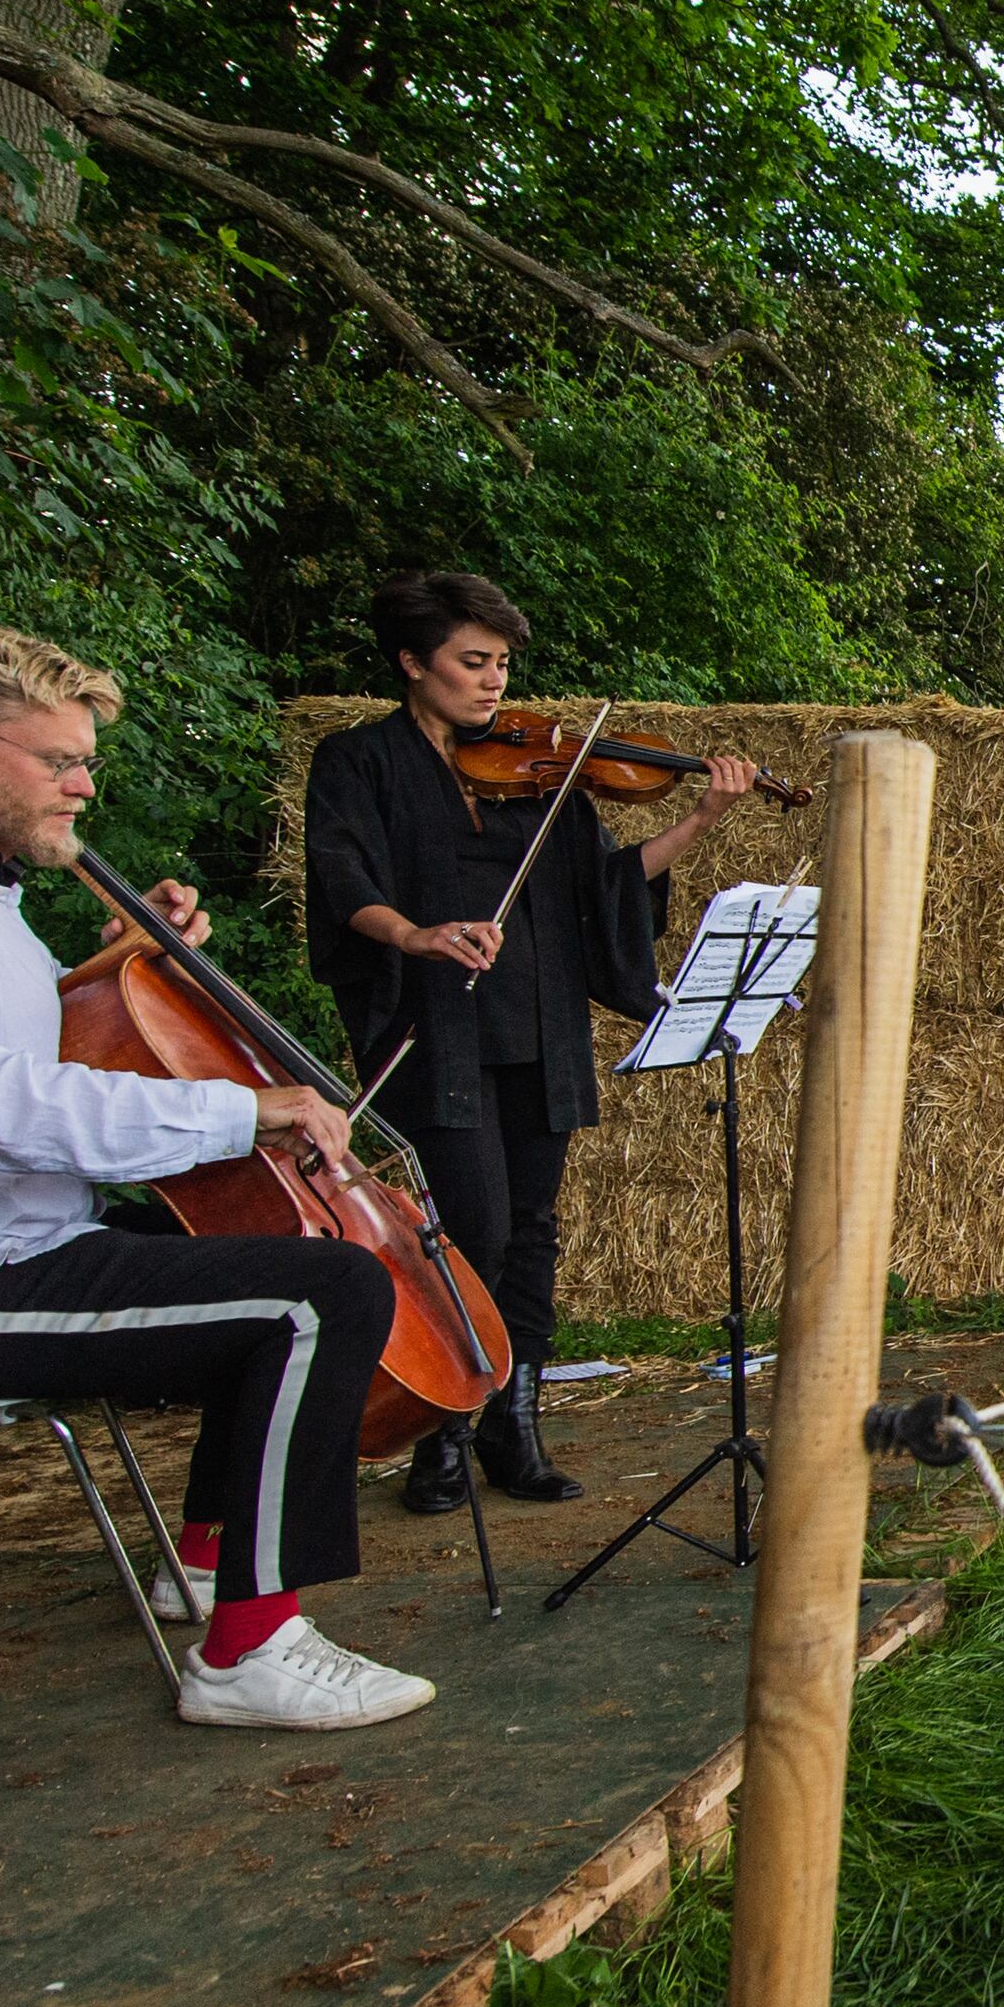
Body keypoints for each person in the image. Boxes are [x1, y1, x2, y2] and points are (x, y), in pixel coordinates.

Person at [0, 621, 435, 1732]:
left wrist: (127, 971)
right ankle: (250, 1649)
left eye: (86, 762)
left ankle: (212, 1565)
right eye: (56, 760)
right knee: (327, 1294)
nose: (81, 787)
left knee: (268, 1263)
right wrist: (239, 1109)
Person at [300, 569, 761, 1514]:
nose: (493, 683)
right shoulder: (360, 762)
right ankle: (442, 1429)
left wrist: (703, 816)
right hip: (438, 1030)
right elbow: (342, 874)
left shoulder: (537, 774)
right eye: (473, 663)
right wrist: (416, 934)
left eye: (503, 664)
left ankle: (516, 1421)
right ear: (411, 663)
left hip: (541, 1027)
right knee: (465, 1229)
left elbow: (607, 887)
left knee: (532, 1235)